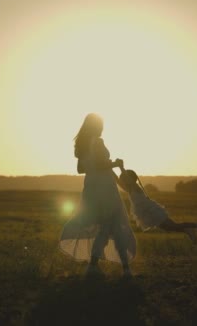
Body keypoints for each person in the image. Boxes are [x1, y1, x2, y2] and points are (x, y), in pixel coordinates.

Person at [59, 113, 136, 277]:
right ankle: (122, 268)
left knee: (106, 226)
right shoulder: (98, 142)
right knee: (115, 225)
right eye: (101, 125)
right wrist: (116, 163)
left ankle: (100, 266)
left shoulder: (81, 145)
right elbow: (102, 165)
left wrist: (100, 167)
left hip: (91, 188)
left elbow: (81, 169)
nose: (103, 128)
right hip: (105, 188)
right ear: (97, 126)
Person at [117, 168, 197, 243]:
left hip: (152, 211)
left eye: (124, 178)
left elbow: (127, 179)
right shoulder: (129, 189)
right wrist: (109, 169)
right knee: (169, 227)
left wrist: (121, 167)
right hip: (148, 213)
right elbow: (117, 181)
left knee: (172, 226)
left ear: (129, 179)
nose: (122, 181)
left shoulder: (135, 186)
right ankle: (188, 230)